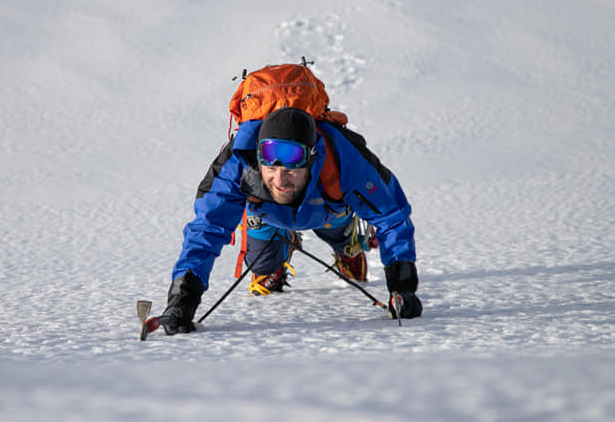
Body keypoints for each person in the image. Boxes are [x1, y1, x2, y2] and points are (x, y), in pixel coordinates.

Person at [161, 105, 422, 335]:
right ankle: (277, 256)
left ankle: (347, 246)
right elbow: (208, 228)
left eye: (291, 170)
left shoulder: (344, 157)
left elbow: (391, 216)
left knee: (340, 235)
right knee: (263, 268)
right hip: (267, 215)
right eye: (271, 168)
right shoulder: (237, 163)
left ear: (312, 157)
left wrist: (402, 287)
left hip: (328, 211)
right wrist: (182, 299)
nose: (280, 180)